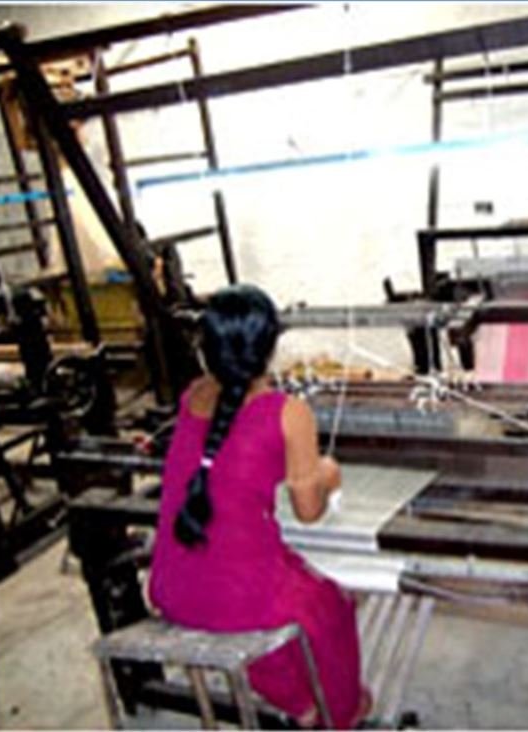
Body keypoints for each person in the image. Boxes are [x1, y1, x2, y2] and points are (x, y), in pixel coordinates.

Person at [148, 284, 369, 728]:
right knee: (332, 605)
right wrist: (328, 472)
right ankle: (337, 712)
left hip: (171, 586)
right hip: (238, 597)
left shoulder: (192, 396)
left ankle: (290, 695)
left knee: (285, 596)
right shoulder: (287, 412)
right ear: (270, 347)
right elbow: (309, 511)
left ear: (206, 348)